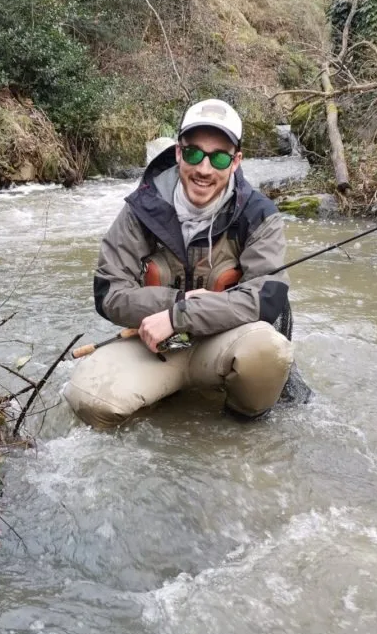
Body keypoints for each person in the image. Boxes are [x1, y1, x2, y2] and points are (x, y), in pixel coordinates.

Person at [64, 98, 296, 428]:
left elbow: (267, 298)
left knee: (266, 351)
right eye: (194, 154)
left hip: (222, 344)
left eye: (219, 157)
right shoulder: (141, 209)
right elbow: (108, 293)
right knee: (88, 399)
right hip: (155, 347)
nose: (204, 169)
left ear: (235, 162)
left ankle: (237, 432)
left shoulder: (259, 215)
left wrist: (180, 316)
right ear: (178, 153)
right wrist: (176, 302)